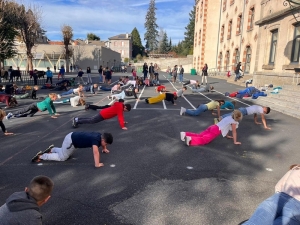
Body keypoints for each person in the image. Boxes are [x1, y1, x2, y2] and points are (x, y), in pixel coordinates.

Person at [31, 132, 113, 167]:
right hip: (71, 142)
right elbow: (95, 152)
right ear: (103, 140)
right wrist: (97, 164)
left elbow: (102, 144)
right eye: (105, 144)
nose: (105, 145)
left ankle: (52, 149)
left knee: (65, 153)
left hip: (71, 137)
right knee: (63, 157)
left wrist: (104, 149)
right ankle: (41, 156)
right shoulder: (96, 140)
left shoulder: (100, 136)